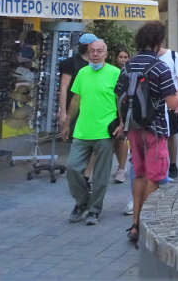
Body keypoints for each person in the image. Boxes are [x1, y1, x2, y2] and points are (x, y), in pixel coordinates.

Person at [116, 22, 178, 247]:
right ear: (158, 41)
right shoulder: (160, 67)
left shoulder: (128, 65)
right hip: (155, 128)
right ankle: (146, 226)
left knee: (140, 174)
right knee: (154, 176)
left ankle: (135, 222)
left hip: (134, 128)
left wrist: (124, 122)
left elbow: (119, 96)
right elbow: (172, 103)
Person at [65, 38, 120, 225]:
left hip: (105, 131)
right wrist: (67, 122)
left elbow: (121, 101)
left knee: (100, 175)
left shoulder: (115, 73)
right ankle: (82, 202)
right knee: (72, 167)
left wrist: (121, 124)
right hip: (82, 130)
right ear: (88, 53)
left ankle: (94, 210)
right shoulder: (82, 72)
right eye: (92, 51)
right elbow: (75, 99)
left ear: (106, 54)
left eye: (99, 51)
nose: (95, 55)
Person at [157, 39, 178, 179]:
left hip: (171, 101)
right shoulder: (148, 58)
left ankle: (173, 164)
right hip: (155, 102)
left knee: (171, 134)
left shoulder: (173, 56)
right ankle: (160, 164)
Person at [58, 32, 96, 135]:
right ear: (89, 47)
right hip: (74, 108)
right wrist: (63, 113)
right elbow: (64, 88)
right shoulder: (71, 63)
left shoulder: (96, 64)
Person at [112, 49, 130, 183]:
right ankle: (119, 166)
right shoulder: (111, 71)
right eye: (120, 57)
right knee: (114, 140)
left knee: (122, 139)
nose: (123, 59)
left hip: (123, 110)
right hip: (110, 109)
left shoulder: (129, 72)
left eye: (126, 57)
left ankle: (122, 169)